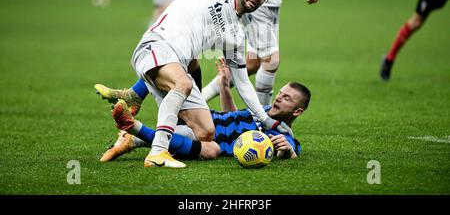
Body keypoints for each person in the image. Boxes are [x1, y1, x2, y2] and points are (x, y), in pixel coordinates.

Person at [104, 0, 292, 169]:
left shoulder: (238, 36)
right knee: (185, 83)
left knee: (206, 133)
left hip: (175, 63)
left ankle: (134, 132)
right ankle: (157, 152)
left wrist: (268, 120)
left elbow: (244, 84)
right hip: (157, 44)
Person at [99, 58, 310, 162]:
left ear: (297, 111)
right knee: (189, 63)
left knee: (213, 150)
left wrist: (289, 151)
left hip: (204, 138)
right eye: (281, 93)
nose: (279, 98)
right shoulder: (261, 109)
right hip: (200, 116)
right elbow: (231, 116)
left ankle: (132, 131)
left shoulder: (283, 135)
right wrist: (225, 87)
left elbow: (291, 151)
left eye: (287, 98)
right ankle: (133, 96)